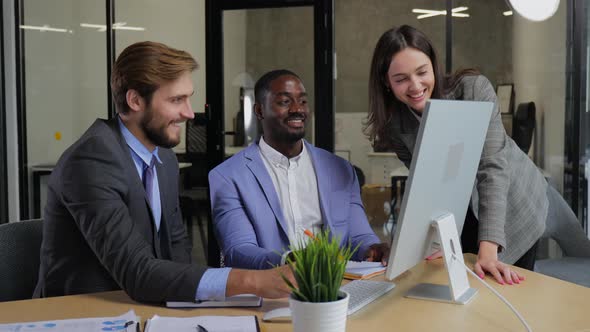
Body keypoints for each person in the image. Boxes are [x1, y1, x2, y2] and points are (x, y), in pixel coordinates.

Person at [34, 41, 294, 303]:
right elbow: (137, 271)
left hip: (143, 305)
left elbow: (177, 248)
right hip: (81, 313)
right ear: (135, 100)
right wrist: (253, 281)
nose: (189, 113)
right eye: (176, 100)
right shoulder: (90, 161)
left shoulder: (164, 158)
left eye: (188, 97)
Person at [366, 25, 590, 285]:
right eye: (401, 79)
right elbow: (429, 186)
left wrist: (489, 247)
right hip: (463, 208)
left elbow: (492, 167)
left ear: (433, 65)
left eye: (422, 72)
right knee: (466, 288)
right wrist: (429, 243)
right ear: (386, 81)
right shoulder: (396, 125)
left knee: (503, 286)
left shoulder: (472, 90)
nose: (415, 85)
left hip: (512, 201)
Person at [209, 69, 389, 269]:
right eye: (285, 102)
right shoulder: (228, 177)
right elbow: (239, 250)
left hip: (338, 287)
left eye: (302, 101)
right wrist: (290, 261)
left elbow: (358, 236)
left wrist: (373, 248)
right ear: (259, 111)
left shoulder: (341, 170)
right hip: (271, 291)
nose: (297, 109)